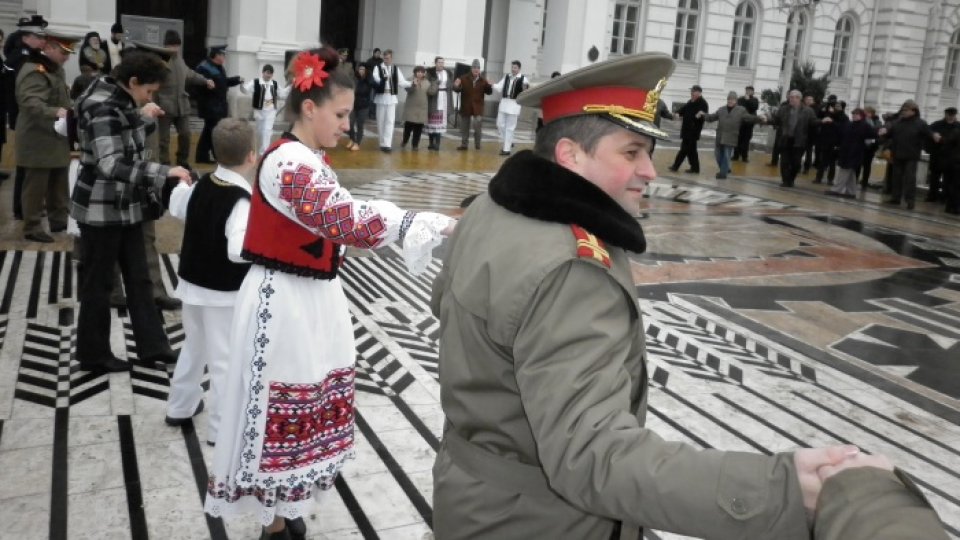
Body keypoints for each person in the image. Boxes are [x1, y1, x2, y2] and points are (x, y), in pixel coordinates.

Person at [430, 52, 890, 539]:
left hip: (473, 491)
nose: (651, 171)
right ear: (570, 155)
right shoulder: (572, 269)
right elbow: (592, 456)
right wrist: (781, 491)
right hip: (546, 521)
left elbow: (450, 312)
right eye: (631, 152)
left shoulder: (488, 209)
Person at [203, 47, 455, 540]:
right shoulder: (287, 164)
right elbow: (344, 220)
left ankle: (283, 508)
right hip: (284, 301)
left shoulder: (307, 158)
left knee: (309, 398)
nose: (347, 125)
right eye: (340, 114)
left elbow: (339, 212)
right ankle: (272, 521)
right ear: (309, 108)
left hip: (311, 296)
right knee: (282, 400)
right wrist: (420, 222)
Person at [71, 47, 191, 373]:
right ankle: (93, 353)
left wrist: (143, 118)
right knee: (99, 284)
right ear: (133, 81)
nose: (149, 97)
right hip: (101, 209)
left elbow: (124, 134)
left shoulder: (117, 98)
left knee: (139, 279)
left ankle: (153, 347)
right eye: (148, 91)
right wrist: (163, 172)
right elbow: (110, 163)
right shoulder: (103, 107)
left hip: (126, 206)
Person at [164, 119, 256, 444]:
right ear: (252, 156)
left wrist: (180, 184)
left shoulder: (203, 184)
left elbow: (178, 207)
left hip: (192, 284)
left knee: (194, 346)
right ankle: (221, 429)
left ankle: (180, 405)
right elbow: (237, 250)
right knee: (224, 360)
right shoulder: (242, 201)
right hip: (223, 293)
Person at [15, 28, 78, 243]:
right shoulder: (36, 70)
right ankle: (32, 226)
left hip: (55, 134)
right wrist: (57, 112)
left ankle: (59, 220)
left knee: (59, 181)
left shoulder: (54, 69)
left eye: (69, 52)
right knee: (36, 185)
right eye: (63, 52)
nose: (67, 57)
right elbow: (30, 102)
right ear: (49, 48)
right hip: (37, 136)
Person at [5, 14, 49, 219]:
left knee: (30, 164)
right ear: (26, 37)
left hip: (23, 114)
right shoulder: (20, 57)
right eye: (38, 36)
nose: (42, 41)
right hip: (24, 114)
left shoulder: (26, 55)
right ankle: (23, 208)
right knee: (26, 165)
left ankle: (27, 206)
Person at [155, 29, 214, 167]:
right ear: (165, 45)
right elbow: (153, 81)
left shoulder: (179, 59)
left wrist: (205, 81)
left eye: (177, 45)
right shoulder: (160, 61)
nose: (175, 48)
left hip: (181, 105)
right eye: (172, 45)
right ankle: (164, 163)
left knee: (186, 135)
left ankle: (182, 161)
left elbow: (189, 74)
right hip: (164, 106)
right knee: (163, 139)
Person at [879, 100, 938, 210]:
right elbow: (889, 135)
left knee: (910, 179)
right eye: (903, 110)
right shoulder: (898, 122)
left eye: (906, 110)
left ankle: (910, 200)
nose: (904, 112)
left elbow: (929, 134)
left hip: (911, 155)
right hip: (897, 154)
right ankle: (895, 198)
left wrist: (934, 136)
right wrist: (883, 133)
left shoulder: (921, 123)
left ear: (914, 111)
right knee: (896, 177)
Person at [195, 45, 243, 163]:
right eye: (222, 55)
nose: (224, 57)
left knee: (209, 132)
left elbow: (223, 83)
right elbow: (199, 87)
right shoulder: (204, 68)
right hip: (210, 107)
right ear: (215, 55)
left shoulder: (219, 67)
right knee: (212, 132)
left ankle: (203, 156)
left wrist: (236, 80)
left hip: (218, 106)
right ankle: (211, 156)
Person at [697, 90, 761, 179]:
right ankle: (725, 168)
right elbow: (711, 117)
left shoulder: (741, 110)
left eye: (732, 99)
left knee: (726, 156)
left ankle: (723, 174)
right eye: (729, 99)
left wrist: (760, 118)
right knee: (717, 155)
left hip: (731, 137)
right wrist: (703, 114)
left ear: (736, 101)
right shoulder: (721, 109)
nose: (730, 101)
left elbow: (749, 118)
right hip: (720, 136)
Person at [768, 89, 820, 187]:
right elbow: (776, 120)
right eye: (790, 97)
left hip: (799, 141)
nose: (791, 99)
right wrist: (767, 119)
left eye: (793, 97)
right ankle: (785, 181)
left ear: (799, 99)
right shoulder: (784, 109)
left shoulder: (807, 110)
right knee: (784, 162)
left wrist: (822, 121)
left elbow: (813, 122)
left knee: (796, 163)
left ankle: (791, 179)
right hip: (786, 139)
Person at [241, 64, 290, 155]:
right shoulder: (255, 82)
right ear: (263, 72)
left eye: (271, 74)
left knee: (267, 130)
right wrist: (241, 85)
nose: (269, 75)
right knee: (260, 131)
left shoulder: (274, 84)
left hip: (271, 111)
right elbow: (245, 90)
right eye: (267, 73)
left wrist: (291, 86)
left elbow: (282, 94)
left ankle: (264, 152)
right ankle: (261, 149)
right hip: (259, 111)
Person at [827, 108, 876, 198]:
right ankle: (851, 192)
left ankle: (836, 189)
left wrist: (868, 144)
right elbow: (841, 131)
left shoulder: (865, 126)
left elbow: (874, 135)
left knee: (844, 170)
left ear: (861, 116)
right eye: (853, 114)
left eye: (856, 114)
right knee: (851, 173)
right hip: (846, 151)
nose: (854, 115)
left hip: (855, 152)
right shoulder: (850, 124)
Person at [370, 48, 408, 152]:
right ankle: (382, 142)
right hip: (381, 97)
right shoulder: (378, 67)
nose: (386, 60)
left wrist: (411, 83)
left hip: (391, 97)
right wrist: (384, 78)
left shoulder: (395, 69)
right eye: (385, 58)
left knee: (390, 121)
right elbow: (375, 78)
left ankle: (387, 144)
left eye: (388, 58)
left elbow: (401, 81)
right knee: (381, 121)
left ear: (391, 58)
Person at [667, 84, 708, 174]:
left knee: (684, 149)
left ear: (698, 92)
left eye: (693, 91)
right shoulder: (691, 101)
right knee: (691, 151)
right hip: (687, 130)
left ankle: (675, 166)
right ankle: (695, 168)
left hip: (693, 131)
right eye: (691, 91)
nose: (691, 93)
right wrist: (677, 113)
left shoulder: (703, 103)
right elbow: (684, 109)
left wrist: (699, 116)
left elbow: (703, 116)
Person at [453, 58, 492, 151]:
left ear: (480, 70)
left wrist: (489, 85)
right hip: (466, 106)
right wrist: (456, 85)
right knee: (465, 126)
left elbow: (489, 92)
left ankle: (477, 144)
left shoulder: (483, 80)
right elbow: (457, 90)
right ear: (471, 69)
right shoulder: (463, 78)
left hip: (478, 107)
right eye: (474, 67)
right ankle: (464, 144)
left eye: (478, 68)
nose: (476, 70)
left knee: (477, 125)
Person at [492, 60, 528, 156]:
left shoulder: (523, 79)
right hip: (504, 103)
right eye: (512, 67)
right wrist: (491, 84)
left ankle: (506, 149)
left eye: (515, 67)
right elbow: (499, 87)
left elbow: (525, 92)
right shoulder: (507, 77)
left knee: (510, 128)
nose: (513, 69)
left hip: (514, 104)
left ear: (519, 69)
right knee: (499, 124)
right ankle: (509, 141)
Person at [926, 107, 960, 202]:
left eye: (952, 115)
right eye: (949, 115)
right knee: (934, 178)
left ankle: (944, 197)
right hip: (937, 155)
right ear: (945, 114)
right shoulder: (937, 124)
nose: (950, 117)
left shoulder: (958, 126)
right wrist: (933, 135)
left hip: (950, 157)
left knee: (948, 179)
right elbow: (928, 131)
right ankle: (932, 196)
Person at [813, 96, 848, 185]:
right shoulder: (829, 114)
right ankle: (818, 178)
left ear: (842, 108)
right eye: (835, 106)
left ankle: (830, 179)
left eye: (838, 106)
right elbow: (820, 116)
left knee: (832, 162)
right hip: (826, 140)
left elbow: (842, 130)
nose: (836, 108)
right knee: (822, 160)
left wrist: (832, 122)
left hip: (835, 142)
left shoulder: (844, 117)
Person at [401, 65, 435, 150]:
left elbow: (431, 92)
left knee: (418, 129)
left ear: (424, 73)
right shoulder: (409, 79)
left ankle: (415, 145)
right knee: (408, 127)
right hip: (411, 107)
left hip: (422, 108)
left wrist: (435, 83)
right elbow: (408, 90)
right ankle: (405, 141)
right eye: (418, 72)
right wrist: (413, 85)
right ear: (415, 72)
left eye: (422, 72)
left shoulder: (427, 82)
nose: (420, 74)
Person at [425, 56, 453, 151]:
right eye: (439, 62)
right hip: (434, 98)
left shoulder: (447, 73)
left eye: (442, 62)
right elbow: (427, 85)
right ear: (435, 63)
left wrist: (456, 85)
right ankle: (431, 143)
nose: (441, 64)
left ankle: (437, 143)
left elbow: (451, 85)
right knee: (432, 121)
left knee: (440, 121)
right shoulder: (431, 73)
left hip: (444, 97)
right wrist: (435, 83)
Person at [732, 85, 759, 162]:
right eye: (747, 90)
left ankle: (744, 157)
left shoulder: (755, 100)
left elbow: (754, 108)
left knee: (746, 140)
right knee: (738, 139)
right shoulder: (740, 99)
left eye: (750, 90)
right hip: (740, 123)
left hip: (749, 123)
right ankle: (736, 155)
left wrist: (748, 100)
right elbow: (737, 108)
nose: (748, 92)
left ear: (753, 92)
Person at [347, 63, 371, 151]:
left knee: (360, 124)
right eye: (360, 69)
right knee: (350, 123)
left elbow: (366, 90)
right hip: (353, 104)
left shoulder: (368, 80)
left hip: (364, 105)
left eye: (363, 69)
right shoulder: (354, 79)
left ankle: (357, 143)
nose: (361, 71)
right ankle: (352, 139)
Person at [860, 105, 882, 189]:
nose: (865, 113)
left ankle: (864, 182)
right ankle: (857, 181)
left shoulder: (877, 122)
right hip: (862, 145)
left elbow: (876, 132)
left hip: (871, 147)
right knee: (859, 164)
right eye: (865, 112)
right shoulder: (863, 120)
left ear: (871, 113)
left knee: (867, 165)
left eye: (867, 112)